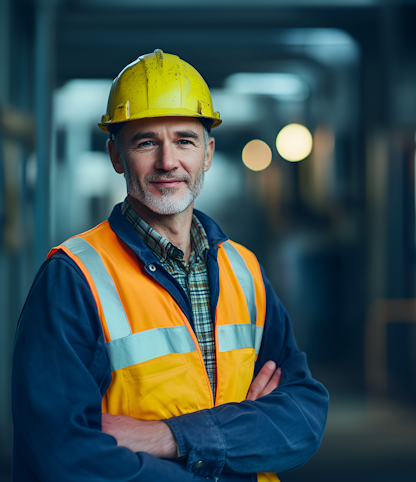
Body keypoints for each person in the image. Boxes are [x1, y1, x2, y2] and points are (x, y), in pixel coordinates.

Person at [11, 49, 329, 482]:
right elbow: (64, 457)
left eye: (184, 140)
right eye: (146, 142)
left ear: (208, 153)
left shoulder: (244, 269)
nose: (167, 162)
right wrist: (244, 433)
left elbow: (302, 418)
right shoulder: (73, 277)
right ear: (117, 157)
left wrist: (170, 436)